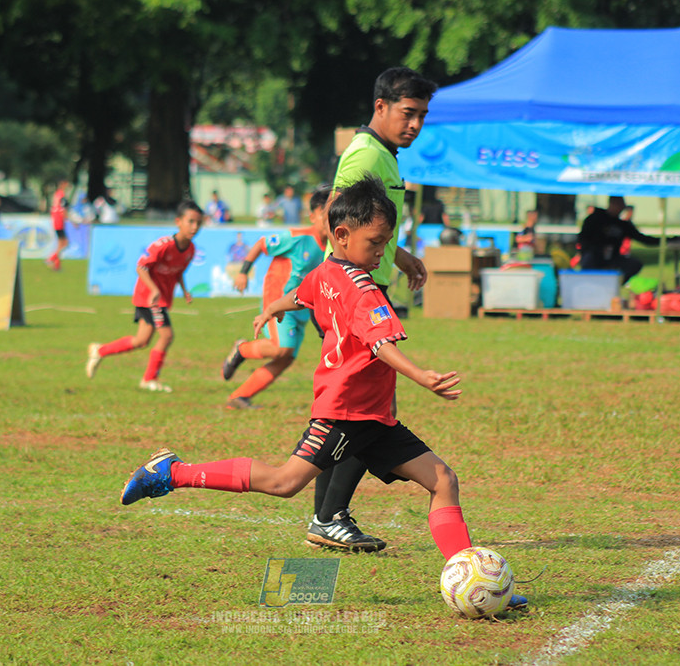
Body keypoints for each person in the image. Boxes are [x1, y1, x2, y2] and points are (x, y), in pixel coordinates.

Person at [117, 176, 528, 611]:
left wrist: (273, 307)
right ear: (342, 235)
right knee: (283, 482)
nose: (381, 252)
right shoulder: (363, 289)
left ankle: (474, 583)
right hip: (344, 412)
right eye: (375, 242)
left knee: (443, 479)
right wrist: (421, 376)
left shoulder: (331, 269)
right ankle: (172, 472)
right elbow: (381, 344)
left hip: (374, 419)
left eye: (387, 242)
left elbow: (304, 293)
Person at [308, 66, 436, 552]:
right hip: (354, 295)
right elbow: (338, 217)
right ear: (380, 106)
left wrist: (399, 258)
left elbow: (366, 223)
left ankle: (328, 515)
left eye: (422, 115)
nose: (416, 124)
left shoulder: (384, 154)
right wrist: (353, 285)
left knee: (362, 413)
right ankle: (328, 515)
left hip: (361, 291)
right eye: (408, 113)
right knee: (369, 414)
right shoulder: (365, 153)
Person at [221, 184, 331, 410]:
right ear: (313, 215)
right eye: (327, 211)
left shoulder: (332, 247)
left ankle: (239, 397)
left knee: (286, 357)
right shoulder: (298, 237)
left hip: (300, 306)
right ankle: (242, 349)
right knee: (281, 348)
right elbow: (262, 244)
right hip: (278, 298)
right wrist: (243, 273)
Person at [85, 200, 204, 392]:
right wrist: (154, 290)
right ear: (178, 222)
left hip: (160, 298)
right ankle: (149, 379)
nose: (195, 227)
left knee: (141, 341)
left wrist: (185, 290)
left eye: (199, 223)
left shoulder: (190, 249)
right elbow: (141, 267)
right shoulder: (163, 245)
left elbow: (178, 271)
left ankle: (100, 350)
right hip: (150, 297)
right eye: (190, 221)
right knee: (166, 335)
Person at [577, 196, 660, 283]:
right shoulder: (594, 219)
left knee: (634, 264)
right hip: (593, 256)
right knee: (588, 261)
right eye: (619, 205)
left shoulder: (622, 225)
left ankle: (614, 284)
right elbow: (582, 238)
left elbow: (642, 238)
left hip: (613, 258)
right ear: (612, 204)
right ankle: (588, 284)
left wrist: (666, 240)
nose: (621, 208)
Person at [47, 180, 70, 271]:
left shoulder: (56, 194)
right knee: (64, 243)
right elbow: (63, 208)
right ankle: (51, 258)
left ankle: (56, 265)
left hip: (56, 219)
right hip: (59, 220)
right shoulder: (61, 195)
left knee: (61, 243)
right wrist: (67, 217)